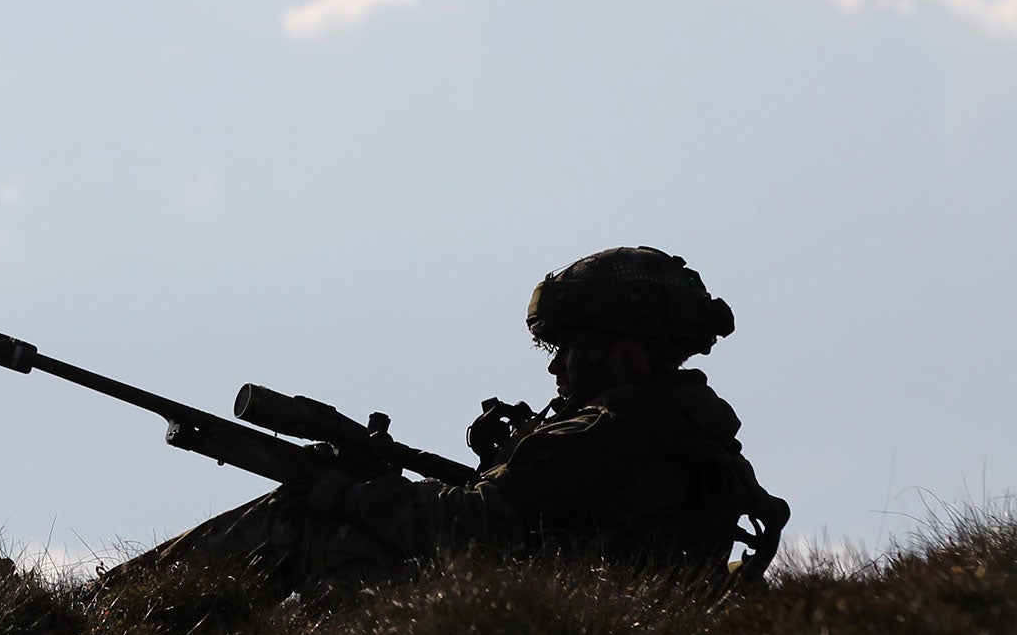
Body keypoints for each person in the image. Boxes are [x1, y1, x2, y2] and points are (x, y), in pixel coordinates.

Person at [113, 247, 790, 590]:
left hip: (541, 623)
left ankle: (101, 615)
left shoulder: (608, 429)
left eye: (570, 351)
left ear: (626, 354)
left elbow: (474, 532)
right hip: (599, 617)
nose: (556, 370)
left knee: (301, 520)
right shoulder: (690, 424)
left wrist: (352, 492)